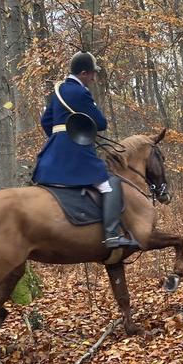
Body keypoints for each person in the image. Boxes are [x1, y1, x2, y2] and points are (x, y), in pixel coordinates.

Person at [33, 51, 139, 249]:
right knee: (109, 183)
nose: (93, 78)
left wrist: (61, 137)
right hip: (75, 152)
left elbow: (46, 121)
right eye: (92, 74)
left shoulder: (59, 91)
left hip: (53, 153)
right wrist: (75, 134)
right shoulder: (80, 92)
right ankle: (112, 235)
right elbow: (100, 123)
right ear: (83, 73)